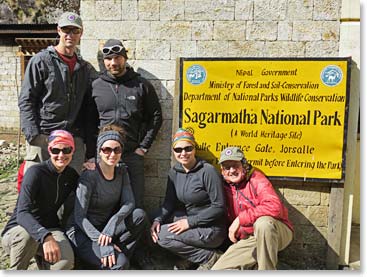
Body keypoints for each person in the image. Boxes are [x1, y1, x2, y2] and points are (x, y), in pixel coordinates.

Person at [18, 11, 98, 174]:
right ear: (58, 30)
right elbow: (27, 100)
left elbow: (90, 107)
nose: (70, 35)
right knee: (38, 189)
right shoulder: (40, 61)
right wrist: (33, 136)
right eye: (66, 30)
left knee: (69, 190)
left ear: (81, 33)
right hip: (44, 136)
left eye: (75, 31)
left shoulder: (85, 69)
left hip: (73, 139)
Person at [90, 38, 162, 208]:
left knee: (135, 203)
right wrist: (90, 154)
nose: (113, 62)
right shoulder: (96, 86)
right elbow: (88, 120)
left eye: (117, 57)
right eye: (108, 59)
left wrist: (143, 147)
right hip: (104, 156)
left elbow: (156, 116)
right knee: (104, 204)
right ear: (104, 61)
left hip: (131, 155)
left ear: (125, 57)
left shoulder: (141, 85)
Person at [66, 124, 146, 270]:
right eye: (107, 149)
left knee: (139, 215)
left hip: (105, 228)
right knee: (120, 264)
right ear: (99, 151)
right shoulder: (89, 176)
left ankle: (111, 258)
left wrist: (113, 222)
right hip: (82, 230)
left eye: (117, 149)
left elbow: (129, 203)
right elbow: (79, 217)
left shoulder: (121, 171)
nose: (112, 154)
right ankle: (111, 259)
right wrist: (103, 243)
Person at [150, 128, 226, 270]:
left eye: (188, 148)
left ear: (194, 148)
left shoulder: (207, 171)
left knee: (162, 235)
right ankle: (191, 258)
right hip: (191, 221)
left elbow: (219, 206)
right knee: (154, 220)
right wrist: (157, 220)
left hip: (211, 228)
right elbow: (169, 203)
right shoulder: (174, 172)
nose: (183, 153)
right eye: (178, 150)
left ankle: (210, 257)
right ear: (174, 151)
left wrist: (189, 222)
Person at [1, 130, 78, 270]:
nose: (61, 155)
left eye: (66, 150)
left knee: (64, 264)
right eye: (56, 150)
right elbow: (22, 213)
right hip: (20, 230)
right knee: (28, 236)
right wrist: (45, 236)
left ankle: (42, 262)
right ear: (49, 151)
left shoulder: (71, 176)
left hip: (51, 227)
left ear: (73, 151)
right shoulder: (35, 173)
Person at [211, 147, 294, 270]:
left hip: (276, 231)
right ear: (222, 171)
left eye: (235, 165)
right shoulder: (222, 186)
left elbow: (274, 206)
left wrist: (240, 219)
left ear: (244, 165)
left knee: (263, 224)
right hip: (249, 239)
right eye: (227, 167)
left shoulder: (256, 178)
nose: (232, 170)